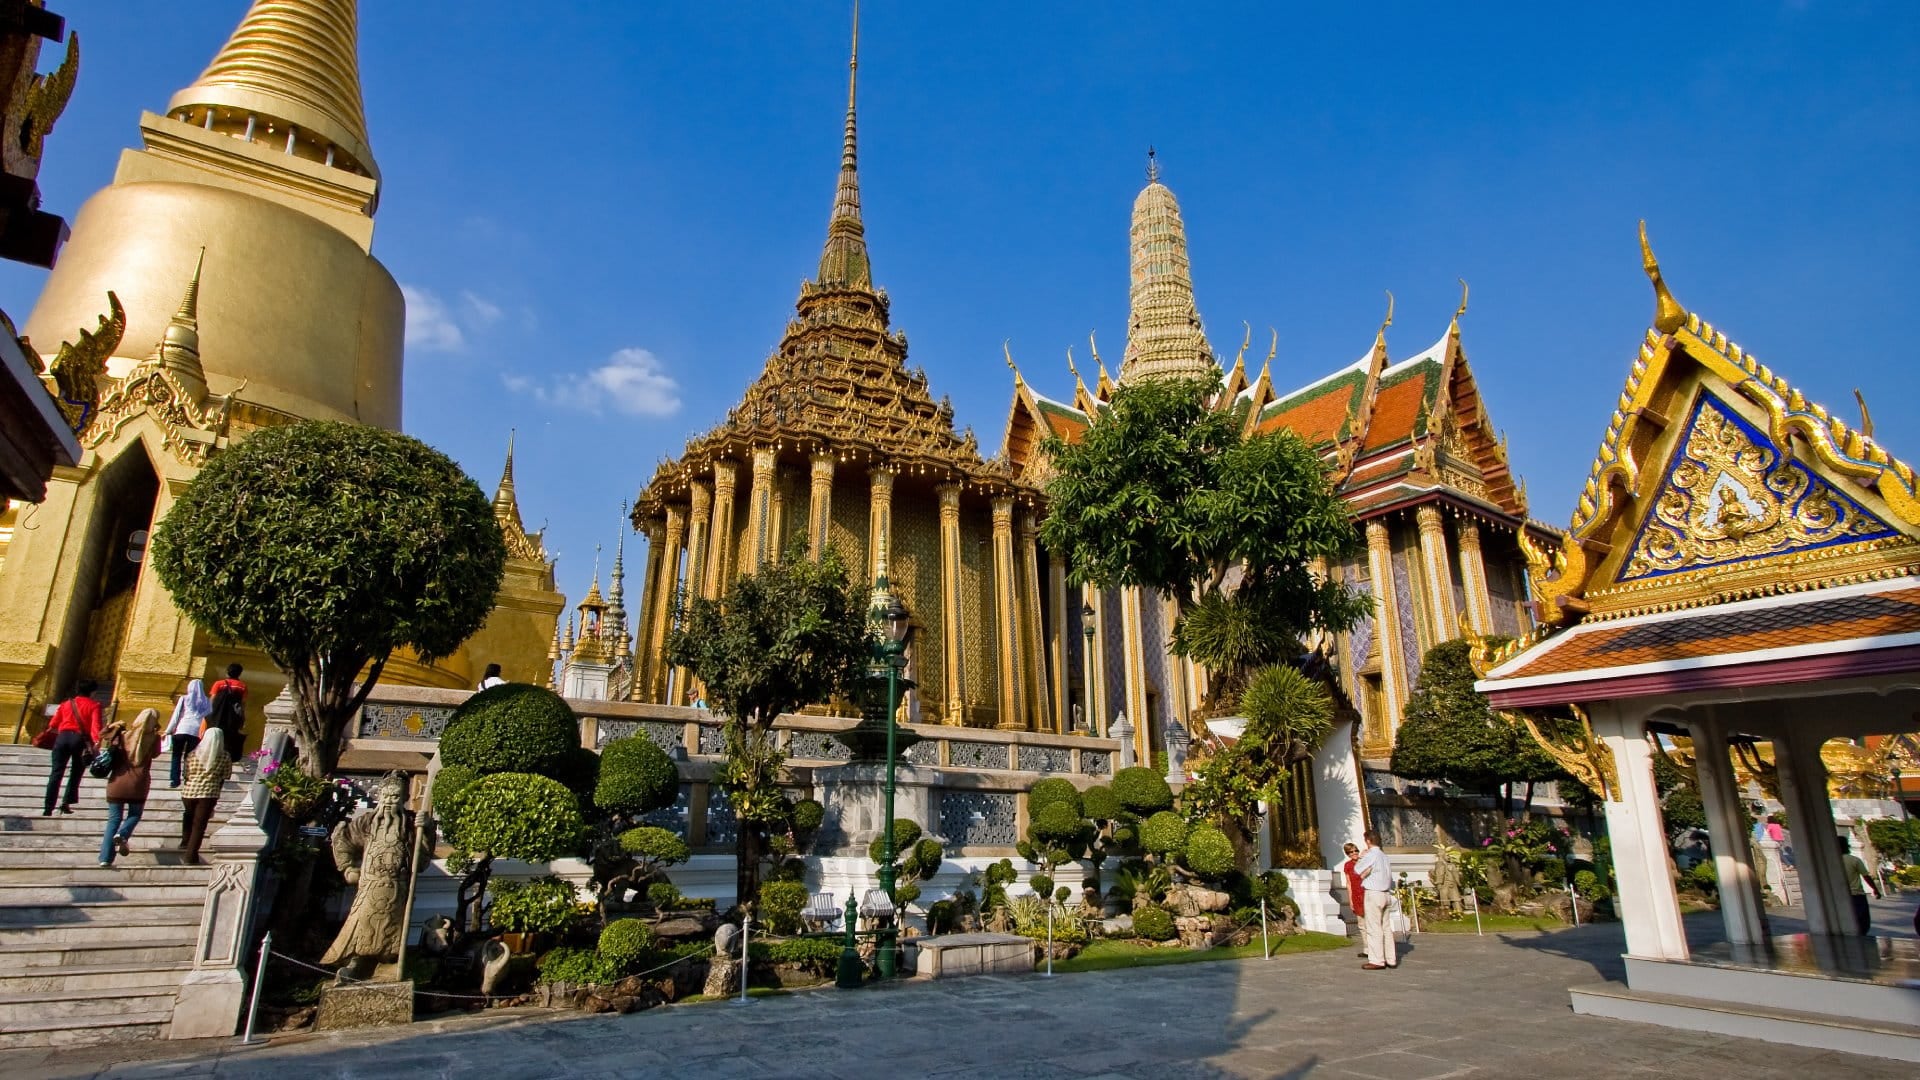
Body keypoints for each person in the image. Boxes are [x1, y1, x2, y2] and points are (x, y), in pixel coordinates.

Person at [98, 708, 160, 868]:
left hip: (117, 782)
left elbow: (103, 734)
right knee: (134, 815)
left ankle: (105, 858)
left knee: (113, 820)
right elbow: (156, 754)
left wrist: (116, 725)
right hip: (138, 784)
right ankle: (123, 834)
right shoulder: (154, 739)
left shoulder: (123, 736)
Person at [42, 679, 102, 816]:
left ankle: (48, 807)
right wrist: (97, 741)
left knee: (56, 772)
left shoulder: (66, 704)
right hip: (79, 740)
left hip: (62, 738)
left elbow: (53, 723)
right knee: (76, 772)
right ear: (92, 692)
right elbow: (95, 726)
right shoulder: (94, 705)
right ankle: (65, 803)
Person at [179, 726, 232, 864]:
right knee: (199, 825)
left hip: (189, 792)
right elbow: (225, 775)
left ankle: (185, 841)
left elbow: (186, 773)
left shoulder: (192, 754)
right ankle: (190, 856)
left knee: (188, 815)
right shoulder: (224, 756)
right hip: (209, 794)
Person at [1354, 830, 1397, 970]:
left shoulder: (1371, 854)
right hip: (1385, 893)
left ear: (1368, 841)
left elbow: (1357, 869)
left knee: (1373, 927)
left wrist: (1361, 857)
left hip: (1374, 893)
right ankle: (1391, 958)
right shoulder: (1384, 856)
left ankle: (1377, 960)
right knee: (1386, 927)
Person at [164, 679, 211, 788]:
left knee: (176, 755)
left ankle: (174, 779)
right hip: (196, 732)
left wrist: (168, 730)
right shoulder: (207, 701)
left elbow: (176, 716)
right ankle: (187, 777)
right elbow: (208, 717)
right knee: (189, 757)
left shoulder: (184, 699)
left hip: (182, 729)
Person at [1840, 837, 1882, 937]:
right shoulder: (1854, 860)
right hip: (1856, 894)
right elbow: (1866, 876)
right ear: (1847, 847)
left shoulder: (1831, 862)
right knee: (1862, 920)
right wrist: (1875, 889)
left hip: (1840, 896)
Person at [203, 664, 247, 756]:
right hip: (232, 718)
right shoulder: (242, 686)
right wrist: (242, 718)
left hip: (216, 716)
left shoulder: (219, 683)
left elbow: (212, 699)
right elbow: (242, 704)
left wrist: (207, 714)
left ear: (227, 672)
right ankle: (223, 756)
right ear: (239, 674)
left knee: (213, 736)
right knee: (227, 739)